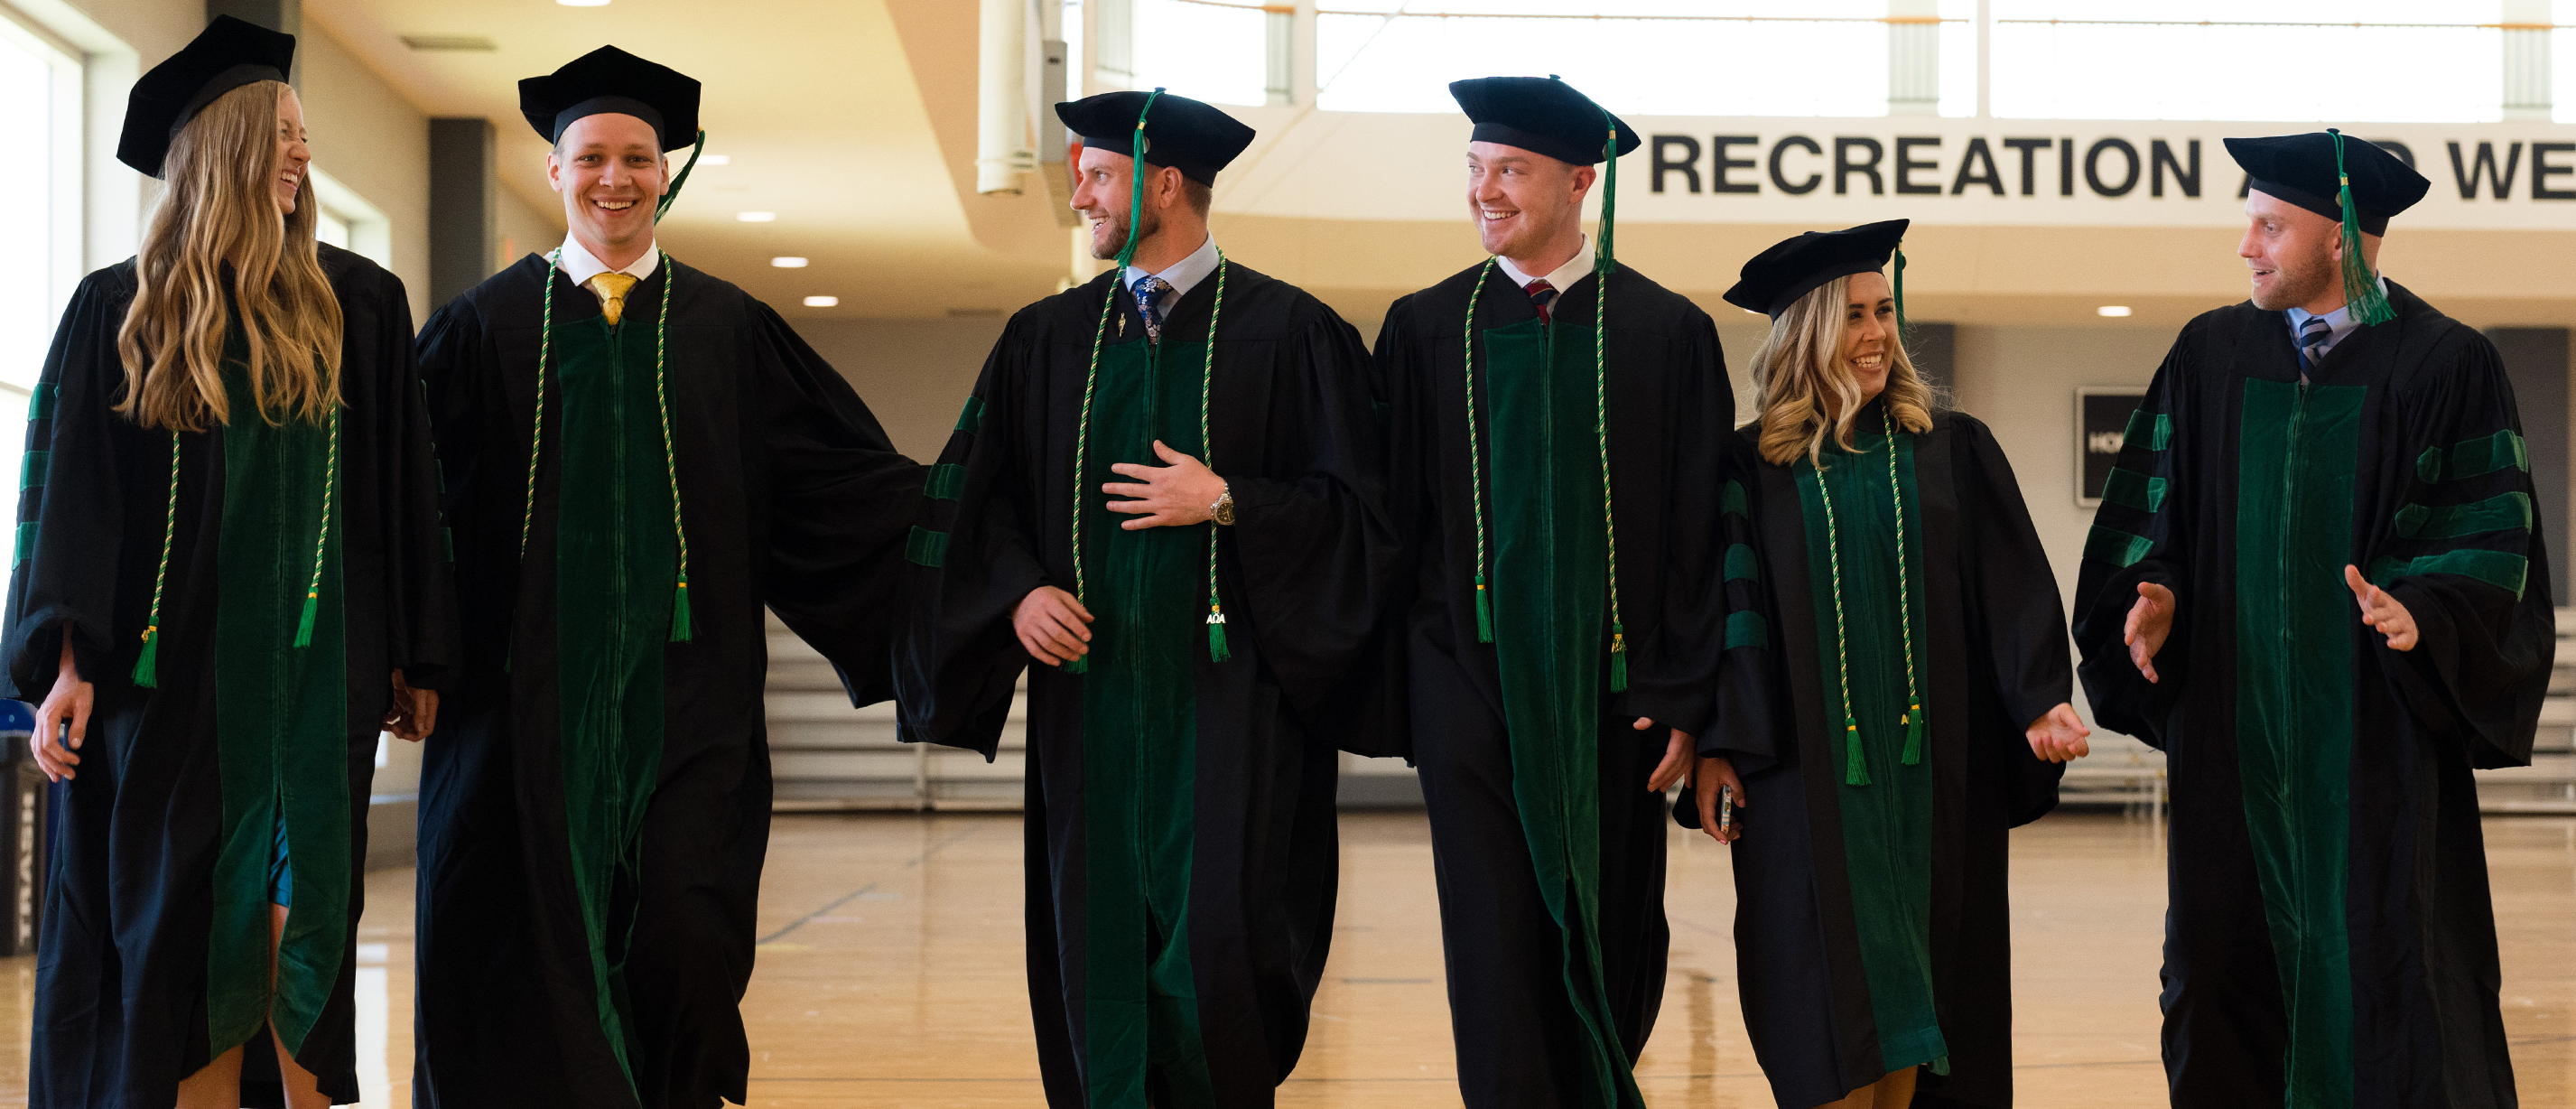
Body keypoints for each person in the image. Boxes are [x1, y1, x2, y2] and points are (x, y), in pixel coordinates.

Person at [409, 46, 921, 1108]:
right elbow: (412, 513)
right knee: (515, 942)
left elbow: (849, 484)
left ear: (668, 168)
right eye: (591, 156)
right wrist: (410, 658)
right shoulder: (478, 329)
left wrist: (993, 529)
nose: (615, 178)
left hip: (692, 711)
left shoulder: (728, 331)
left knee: (684, 935)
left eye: (638, 157)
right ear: (553, 171)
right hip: (516, 716)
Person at [895, 88, 1398, 1108]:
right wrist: (1016, 594)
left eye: (1096, 173)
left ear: (1165, 183)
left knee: (1223, 947)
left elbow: (1366, 520)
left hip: (1239, 711)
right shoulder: (1045, 339)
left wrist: (1229, 501)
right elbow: (971, 502)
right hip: (1095, 701)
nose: (1076, 191)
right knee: (1099, 946)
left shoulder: (1297, 335)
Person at [1, 16, 456, 1108]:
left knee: (308, 946)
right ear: (225, 146)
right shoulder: (123, 308)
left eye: (306, 134)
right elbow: (69, 502)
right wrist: (63, 660)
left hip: (318, 688)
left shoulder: (362, 306)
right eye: (282, 132)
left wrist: (418, 651)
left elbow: (403, 486)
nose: (302, 153)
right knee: (182, 948)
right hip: (171, 700)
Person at [2071, 131, 2549, 1108]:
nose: (2246, 247)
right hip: (2232, 751)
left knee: (2388, 972)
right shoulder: (2210, 354)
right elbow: (2157, 517)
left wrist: (2424, 611)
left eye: (2269, 226)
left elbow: (2488, 538)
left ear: (2341, 238)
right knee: (2219, 975)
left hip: (2375, 753)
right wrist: (2154, 591)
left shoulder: (2447, 364)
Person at [1372, 76, 1729, 1109]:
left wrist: (1689, 699)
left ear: (1582, 180)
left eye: (1511, 171)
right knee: (1492, 946)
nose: (1486, 192)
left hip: (1622, 697)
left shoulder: (1667, 333)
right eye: (1475, 171)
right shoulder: (1425, 328)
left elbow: (1701, 535)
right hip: (1469, 691)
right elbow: (1388, 521)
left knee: (1617, 930)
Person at [1686, 220, 2088, 1109]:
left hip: (1933, 786)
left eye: (1884, 312)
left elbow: (2012, 592)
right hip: (1800, 784)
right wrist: (1720, 744)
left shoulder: (1953, 447)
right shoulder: (1749, 470)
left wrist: (2038, 703)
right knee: (1815, 1013)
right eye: (1854, 316)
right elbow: (1724, 616)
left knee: (1924, 999)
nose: (1876, 334)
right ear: (1806, 333)